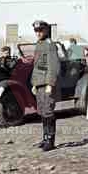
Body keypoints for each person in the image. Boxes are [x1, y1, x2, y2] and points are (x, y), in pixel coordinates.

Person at [31, 20, 60, 151]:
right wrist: (34, 84)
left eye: (40, 30)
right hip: (39, 83)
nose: (38, 33)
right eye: (36, 31)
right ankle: (44, 137)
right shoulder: (39, 44)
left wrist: (50, 83)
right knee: (42, 111)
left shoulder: (50, 45)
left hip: (47, 83)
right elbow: (36, 66)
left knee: (48, 111)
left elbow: (53, 66)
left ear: (46, 30)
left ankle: (50, 140)